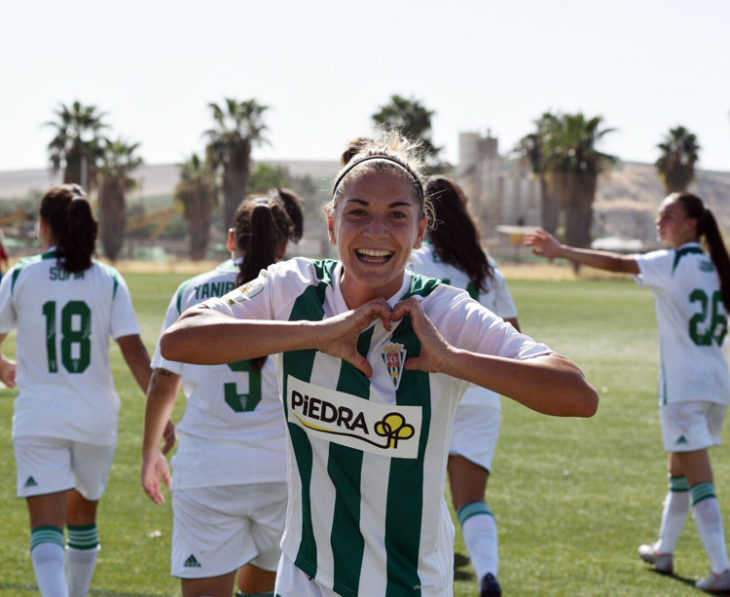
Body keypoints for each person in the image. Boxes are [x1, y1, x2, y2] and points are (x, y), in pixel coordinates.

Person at [160, 133, 598, 597]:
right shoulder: (294, 288)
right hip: (306, 575)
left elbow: (577, 394)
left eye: (396, 216)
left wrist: (451, 360)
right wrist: (318, 334)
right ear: (331, 224)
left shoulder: (446, 312)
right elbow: (182, 338)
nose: (375, 233)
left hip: (409, 583)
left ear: (421, 230)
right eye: (358, 213)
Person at [525, 192, 730, 592]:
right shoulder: (716, 266)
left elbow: (619, 263)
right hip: (716, 385)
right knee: (680, 469)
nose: (660, 222)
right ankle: (664, 550)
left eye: (667, 216)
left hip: (685, 388)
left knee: (698, 475)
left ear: (692, 223)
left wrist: (561, 249)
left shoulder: (674, 263)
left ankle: (722, 568)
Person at [142, 194, 297, 597]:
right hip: (283, 470)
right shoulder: (299, 293)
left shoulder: (192, 291)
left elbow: (163, 378)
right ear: (283, 246)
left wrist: (149, 453)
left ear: (231, 240)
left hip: (208, 471)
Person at [0, 184, 151, 597]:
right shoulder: (108, 279)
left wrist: (3, 366)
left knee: (46, 528)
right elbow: (135, 352)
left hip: (39, 417)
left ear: (44, 226)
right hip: (95, 419)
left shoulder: (21, 275)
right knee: (83, 519)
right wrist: (161, 416)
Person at [408, 176, 519, 597]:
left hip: (428, 388)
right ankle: (488, 575)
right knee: (470, 499)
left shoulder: (413, 262)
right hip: (481, 392)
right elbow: (514, 339)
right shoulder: (486, 268)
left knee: (415, 496)